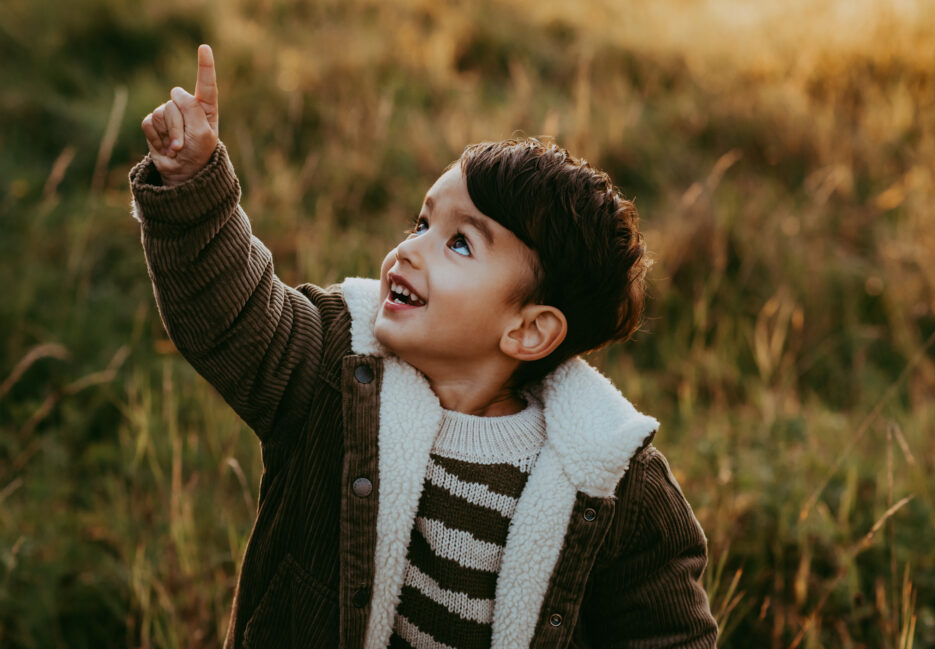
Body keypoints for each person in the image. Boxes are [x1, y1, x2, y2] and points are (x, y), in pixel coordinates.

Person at [131, 43, 718, 649]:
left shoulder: (610, 482)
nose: (410, 250)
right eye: (422, 223)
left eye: (460, 243)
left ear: (528, 330)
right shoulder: (336, 361)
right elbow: (234, 315)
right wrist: (193, 186)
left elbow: (671, 635)